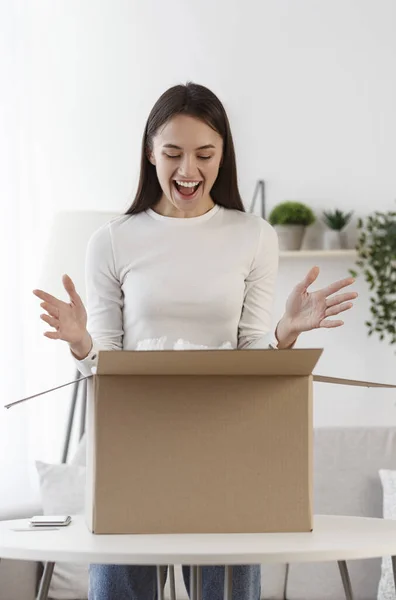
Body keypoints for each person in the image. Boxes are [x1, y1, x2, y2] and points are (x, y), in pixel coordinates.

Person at [33, 82, 357, 600]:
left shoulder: (254, 235)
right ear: (149, 153)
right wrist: (80, 343)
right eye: (173, 153)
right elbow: (105, 367)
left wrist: (285, 333)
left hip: (228, 446)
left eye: (204, 154)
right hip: (132, 449)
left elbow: (252, 352)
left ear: (223, 154)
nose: (188, 171)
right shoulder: (113, 240)